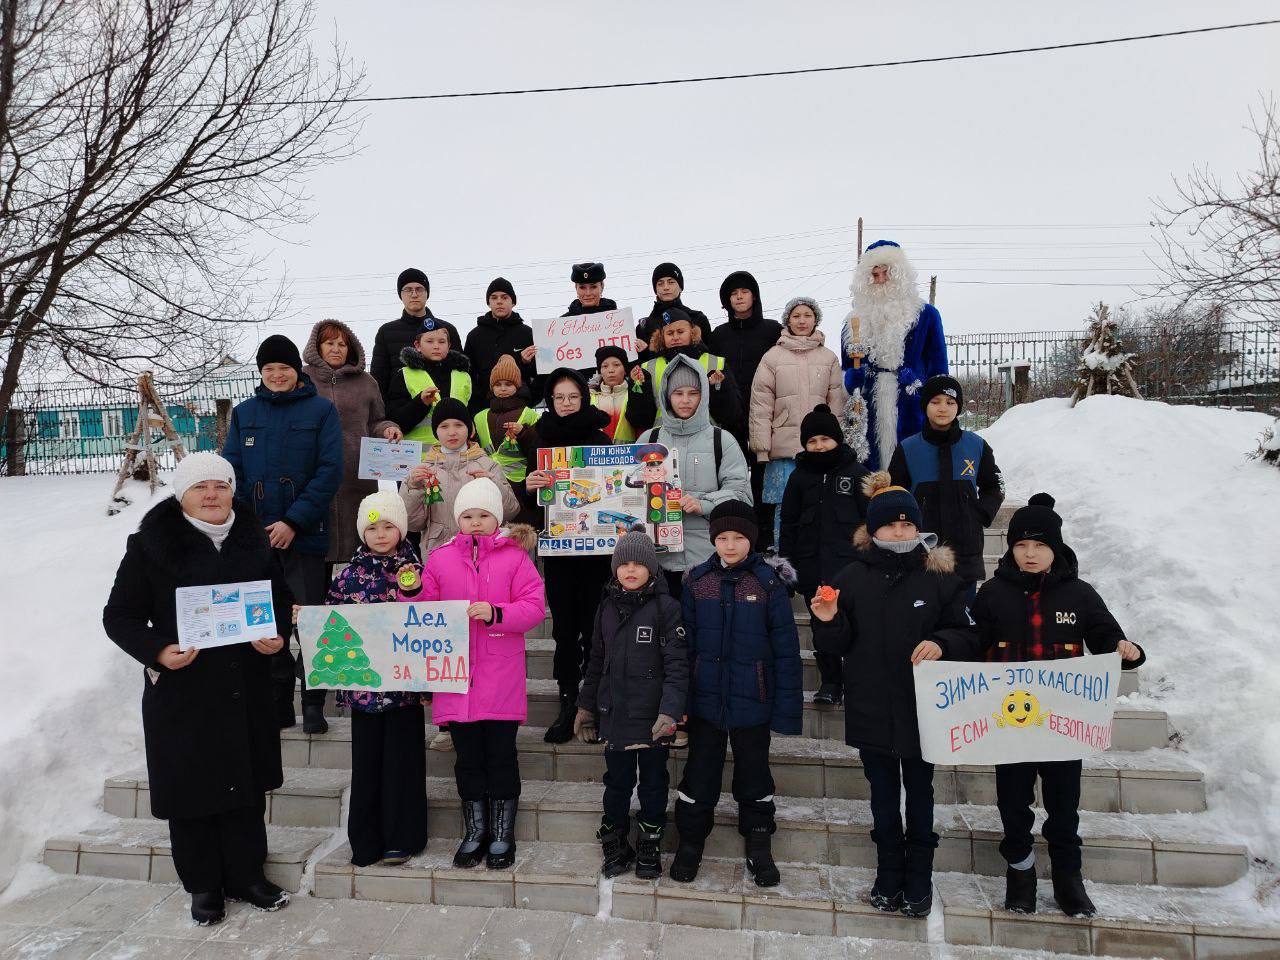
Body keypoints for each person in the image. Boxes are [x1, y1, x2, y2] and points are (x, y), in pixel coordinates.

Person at [103, 453, 293, 925]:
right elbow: (120, 616)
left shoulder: (256, 541)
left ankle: (248, 875)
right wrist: (159, 650)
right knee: (192, 788)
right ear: (182, 495)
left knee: (245, 785)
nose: (211, 495)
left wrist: (276, 639)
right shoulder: (150, 545)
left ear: (232, 491)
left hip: (244, 685)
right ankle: (204, 884)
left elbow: (278, 599)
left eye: (220, 486)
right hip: (184, 691)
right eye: (200, 487)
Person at [809, 472, 978, 918]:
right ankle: (888, 874)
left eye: (907, 525)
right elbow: (834, 645)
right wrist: (827, 618)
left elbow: (968, 633)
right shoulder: (851, 576)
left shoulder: (941, 576)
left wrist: (943, 642)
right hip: (871, 705)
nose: (899, 533)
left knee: (920, 792)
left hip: (924, 709)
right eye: (890, 526)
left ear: (918, 528)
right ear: (874, 529)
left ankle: (919, 877)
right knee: (882, 794)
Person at [970, 493, 1145, 919]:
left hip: (1063, 724)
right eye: (1021, 546)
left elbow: (1105, 635)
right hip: (1008, 722)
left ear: (1057, 549)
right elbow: (972, 640)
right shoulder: (992, 593)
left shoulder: (1080, 594)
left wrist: (1126, 649)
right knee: (1013, 803)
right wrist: (943, 646)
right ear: (1010, 549)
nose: (1030, 554)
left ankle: (1069, 879)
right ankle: (1021, 871)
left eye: (1040, 546)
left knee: (1063, 805)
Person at [670, 500, 802, 887]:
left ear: (752, 540)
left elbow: (786, 650)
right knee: (700, 774)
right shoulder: (697, 581)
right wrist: (681, 704)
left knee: (754, 775)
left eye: (738, 538)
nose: (729, 545)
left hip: (753, 702)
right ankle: (691, 843)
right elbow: (685, 647)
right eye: (722, 538)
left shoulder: (768, 584)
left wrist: (786, 711)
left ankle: (759, 846)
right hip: (707, 702)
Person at [419, 478, 545, 870]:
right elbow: (424, 608)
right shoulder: (439, 559)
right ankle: (475, 831)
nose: (476, 522)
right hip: (456, 681)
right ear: (458, 519)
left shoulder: (515, 558)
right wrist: (410, 595)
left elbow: (534, 606)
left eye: (484, 515)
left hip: (500, 678)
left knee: (501, 756)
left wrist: (497, 613)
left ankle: (502, 833)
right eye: (468, 516)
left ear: (497, 518)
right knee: (468, 760)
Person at [222, 334, 342, 733]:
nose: (276, 375)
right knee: (264, 620)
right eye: (269, 369)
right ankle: (276, 702)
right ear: (261, 373)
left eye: (284, 368)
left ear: (297, 372)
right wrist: (252, 527)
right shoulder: (244, 414)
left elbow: (329, 471)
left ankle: (312, 702)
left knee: (309, 621)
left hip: (304, 535)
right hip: (256, 538)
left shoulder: (321, 411)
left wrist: (293, 522)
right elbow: (231, 472)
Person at [574, 530, 688, 879]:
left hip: (652, 719)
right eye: (624, 563)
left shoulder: (666, 609)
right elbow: (595, 661)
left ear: (652, 568)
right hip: (615, 717)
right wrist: (586, 706)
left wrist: (670, 711)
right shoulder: (606, 607)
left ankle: (650, 844)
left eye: (639, 563)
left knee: (654, 783)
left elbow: (677, 666)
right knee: (617, 783)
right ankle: (616, 842)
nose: (631, 570)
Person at [323, 490, 428, 868]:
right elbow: (332, 623)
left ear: (401, 529)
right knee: (366, 764)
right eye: (372, 527)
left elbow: (430, 623)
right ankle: (365, 840)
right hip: (363, 688)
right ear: (361, 532)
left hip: (404, 687)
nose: (381, 534)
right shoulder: (347, 576)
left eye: (388, 526)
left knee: (403, 762)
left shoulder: (416, 573)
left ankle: (404, 837)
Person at [518, 368, 614, 743]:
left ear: (584, 398)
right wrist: (530, 487)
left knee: (596, 630)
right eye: (559, 397)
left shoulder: (602, 440)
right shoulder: (540, 440)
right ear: (551, 401)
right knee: (564, 630)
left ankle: (594, 706)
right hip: (559, 552)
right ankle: (568, 703)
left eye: (573, 396)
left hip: (597, 554)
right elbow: (533, 498)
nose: (566, 403)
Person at [632, 354, 751, 600]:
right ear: (666, 396)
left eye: (693, 393)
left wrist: (703, 504)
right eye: (678, 393)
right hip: (657, 562)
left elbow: (741, 494)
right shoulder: (648, 440)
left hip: (707, 560)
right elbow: (628, 492)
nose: (685, 400)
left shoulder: (722, 440)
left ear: (703, 395)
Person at [777, 403, 869, 705]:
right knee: (822, 626)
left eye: (824, 440)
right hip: (814, 569)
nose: (819, 446)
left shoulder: (857, 474)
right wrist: (787, 570)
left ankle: (858, 680)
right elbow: (788, 525)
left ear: (837, 440)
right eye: (812, 441)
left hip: (852, 569)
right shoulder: (798, 478)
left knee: (857, 624)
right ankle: (830, 682)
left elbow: (873, 522)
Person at [889, 375, 1004, 599]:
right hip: (922, 549)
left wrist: (979, 513)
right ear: (925, 406)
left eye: (950, 402)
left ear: (958, 406)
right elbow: (895, 494)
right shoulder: (908, 448)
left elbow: (995, 484)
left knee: (963, 616)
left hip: (965, 549)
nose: (943, 408)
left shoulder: (976, 446)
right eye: (935, 402)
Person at [301, 319, 401, 570]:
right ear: (318, 347)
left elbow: (377, 420)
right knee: (315, 560)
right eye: (329, 343)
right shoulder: (303, 379)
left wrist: (388, 429)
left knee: (360, 553)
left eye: (342, 344)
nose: (336, 349)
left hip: (358, 477)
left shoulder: (366, 382)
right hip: (314, 475)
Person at [840, 241, 949, 471]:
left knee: (913, 467)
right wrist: (851, 379)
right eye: (874, 274)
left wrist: (922, 387)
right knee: (869, 471)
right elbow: (847, 367)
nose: (880, 280)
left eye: (886, 273)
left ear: (899, 274)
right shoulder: (854, 322)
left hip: (912, 404)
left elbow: (939, 369)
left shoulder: (926, 315)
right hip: (869, 406)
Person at [749, 297, 846, 544]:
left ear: (816, 319)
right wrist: (762, 447)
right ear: (787, 321)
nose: (802, 321)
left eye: (807, 315)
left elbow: (837, 403)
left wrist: (837, 442)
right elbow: (761, 404)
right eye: (796, 316)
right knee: (785, 507)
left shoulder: (829, 358)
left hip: (821, 448)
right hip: (784, 447)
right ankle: (785, 561)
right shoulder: (772, 357)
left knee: (823, 504)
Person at [708, 270, 782, 547]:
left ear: (754, 295)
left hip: (767, 415)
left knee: (764, 479)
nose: (739, 297)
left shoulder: (772, 330)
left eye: (744, 292)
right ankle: (731, 533)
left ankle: (762, 539)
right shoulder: (719, 335)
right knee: (732, 477)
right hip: (729, 418)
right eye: (733, 293)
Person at [402, 397, 519, 558]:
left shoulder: (487, 465)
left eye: (458, 425)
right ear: (435, 431)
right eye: (444, 426)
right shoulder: (423, 471)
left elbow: (510, 511)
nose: (452, 432)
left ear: (470, 428)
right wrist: (413, 488)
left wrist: (493, 484)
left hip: (483, 554)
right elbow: (413, 524)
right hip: (439, 554)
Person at [625, 306, 740, 434]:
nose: (675, 337)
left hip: (705, 439)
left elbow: (731, 415)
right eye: (669, 333)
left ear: (692, 333)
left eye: (680, 332)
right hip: (663, 441)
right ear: (662, 337)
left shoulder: (716, 363)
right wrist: (639, 390)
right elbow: (638, 420)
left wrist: (719, 389)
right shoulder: (647, 368)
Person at [371, 268, 462, 401]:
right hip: (399, 413)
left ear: (427, 293)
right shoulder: (386, 332)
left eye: (419, 289)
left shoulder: (447, 330)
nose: (414, 294)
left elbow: (461, 375)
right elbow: (379, 380)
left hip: (445, 412)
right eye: (408, 289)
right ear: (400, 294)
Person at [384, 315, 476, 445]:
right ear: (418, 345)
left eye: (441, 342)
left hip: (458, 457)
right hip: (420, 459)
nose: (436, 346)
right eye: (430, 341)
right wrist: (420, 403)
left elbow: (471, 411)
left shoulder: (463, 376)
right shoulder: (404, 375)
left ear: (449, 345)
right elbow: (396, 421)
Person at [473, 354, 541, 519]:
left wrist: (524, 432)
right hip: (488, 482)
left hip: (519, 484)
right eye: (498, 384)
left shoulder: (530, 414)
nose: (503, 388)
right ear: (492, 388)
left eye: (508, 384)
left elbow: (538, 448)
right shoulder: (479, 416)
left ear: (517, 386)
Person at [464, 278, 538, 407]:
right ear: (488, 302)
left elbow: (540, 373)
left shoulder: (528, 334)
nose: (499, 301)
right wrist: (477, 405)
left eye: (504, 297)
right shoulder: (474, 336)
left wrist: (529, 400)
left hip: (520, 408)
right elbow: (468, 375)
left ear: (513, 302)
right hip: (484, 409)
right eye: (494, 297)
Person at [635, 262, 713, 362]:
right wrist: (644, 353)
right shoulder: (644, 327)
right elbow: (640, 367)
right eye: (660, 283)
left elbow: (710, 356)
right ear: (655, 289)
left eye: (671, 282)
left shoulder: (698, 318)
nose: (666, 287)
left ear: (680, 287)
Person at [589, 345, 638, 443]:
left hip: (629, 455)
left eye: (616, 365)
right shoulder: (589, 397)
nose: (611, 370)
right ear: (600, 371)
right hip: (597, 456)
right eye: (605, 366)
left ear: (625, 370)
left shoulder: (634, 395)